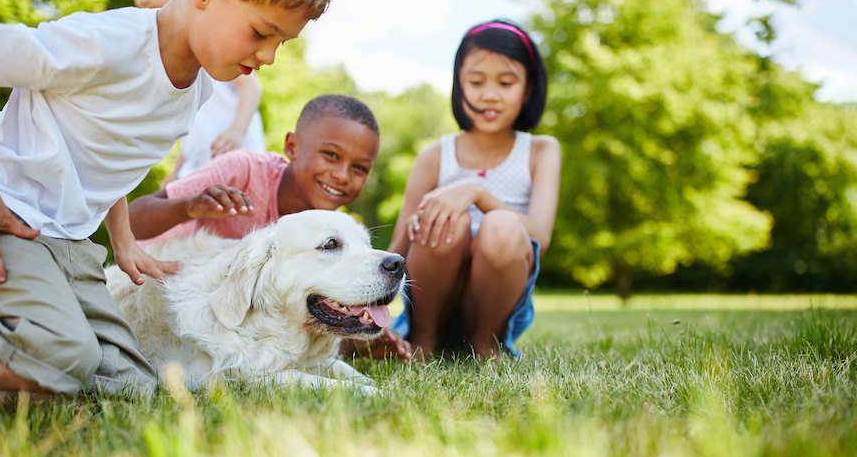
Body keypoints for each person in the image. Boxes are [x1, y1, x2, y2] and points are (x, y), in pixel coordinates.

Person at [0, 0, 332, 400]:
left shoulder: (197, 88)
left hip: (68, 243)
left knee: (135, 386)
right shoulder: (109, 44)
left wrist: (123, 241)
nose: (268, 57)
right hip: (7, 216)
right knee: (64, 351)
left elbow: (107, 155)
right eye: (262, 33)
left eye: (281, 42)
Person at [128, 95, 412, 361]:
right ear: (292, 147)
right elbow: (132, 219)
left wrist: (361, 326)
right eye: (331, 155)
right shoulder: (243, 169)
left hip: (231, 320)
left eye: (359, 168)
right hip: (162, 294)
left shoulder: (326, 224)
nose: (341, 176)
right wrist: (189, 206)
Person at [386, 19, 561, 360]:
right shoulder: (434, 156)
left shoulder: (541, 150)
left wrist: (477, 194)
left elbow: (541, 235)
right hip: (433, 298)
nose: (490, 94)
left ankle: (487, 345)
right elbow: (398, 247)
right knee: (449, 219)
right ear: (459, 85)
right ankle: (422, 341)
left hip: (494, 302)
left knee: (502, 225)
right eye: (476, 81)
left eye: (506, 82)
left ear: (527, 89)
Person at [121, 0, 266, 183]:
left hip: (237, 155)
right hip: (201, 162)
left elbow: (250, 87)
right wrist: (177, 170)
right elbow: (189, 123)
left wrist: (237, 130)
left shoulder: (212, 41)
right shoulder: (165, 53)